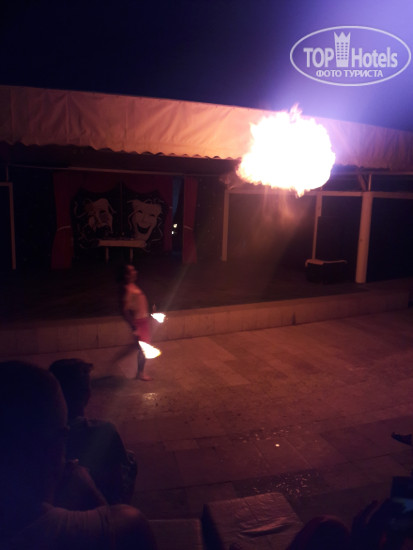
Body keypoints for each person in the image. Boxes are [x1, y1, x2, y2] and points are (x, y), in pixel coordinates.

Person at [0, 360, 157, 550]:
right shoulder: (128, 525)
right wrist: (92, 493)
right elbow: (124, 531)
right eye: (62, 433)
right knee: (130, 461)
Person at [49, 358, 137, 505]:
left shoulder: (39, 433)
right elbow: (117, 478)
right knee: (131, 460)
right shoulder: (103, 431)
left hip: (57, 501)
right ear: (86, 394)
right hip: (99, 505)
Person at [121, 263, 153, 381]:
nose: (135, 272)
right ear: (126, 275)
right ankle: (140, 373)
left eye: (134, 270)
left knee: (142, 348)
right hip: (139, 323)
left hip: (143, 321)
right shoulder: (129, 289)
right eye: (132, 271)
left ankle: (140, 372)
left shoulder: (133, 286)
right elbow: (125, 310)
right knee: (143, 349)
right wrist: (134, 326)